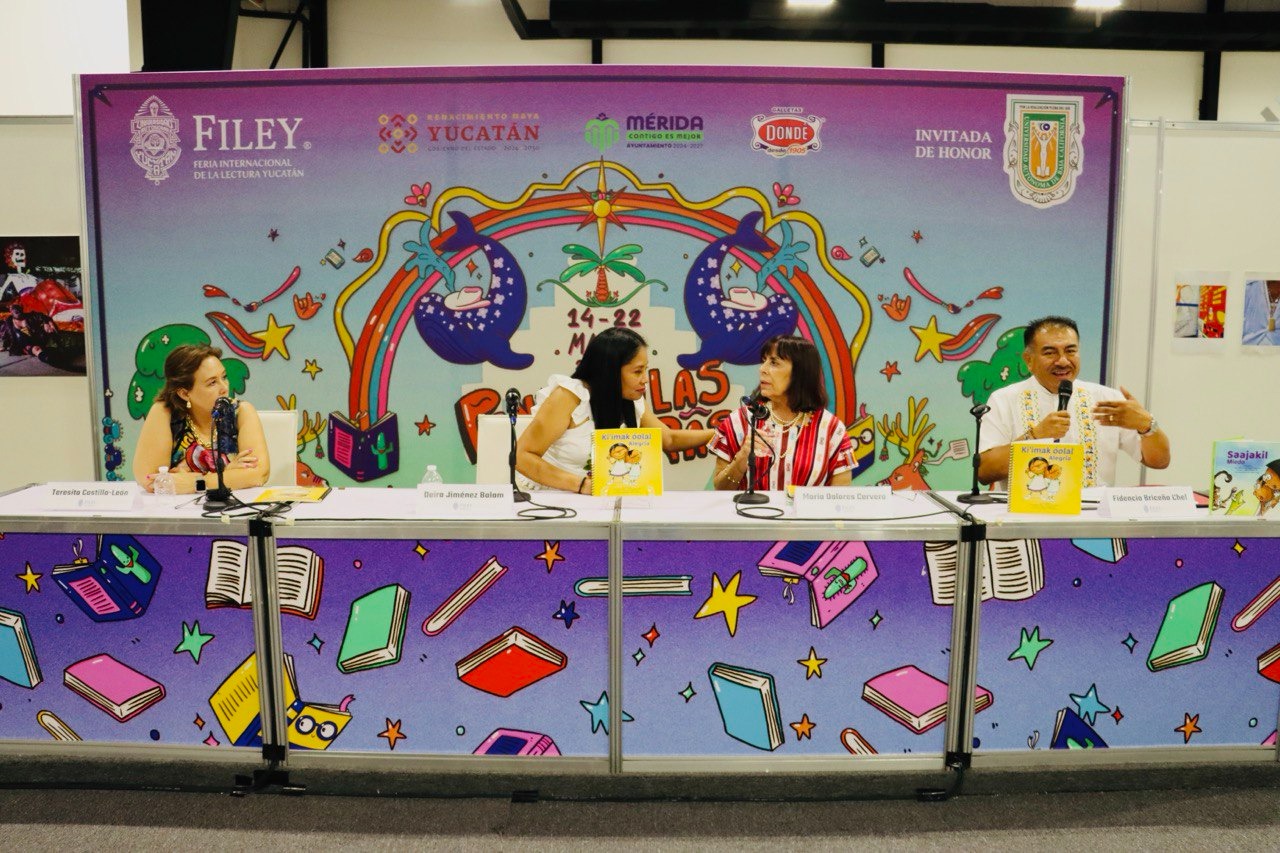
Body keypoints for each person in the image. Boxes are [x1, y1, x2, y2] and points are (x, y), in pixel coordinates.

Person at [977, 316, 1170, 489]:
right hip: (1025, 515)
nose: (1062, 361)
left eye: (1070, 351)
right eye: (1050, 353)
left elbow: (1160, 461)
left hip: (1094, 515)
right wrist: (1035, 435)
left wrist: (1146, 425)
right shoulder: (1003, 400)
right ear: (1029, 360)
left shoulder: (1107, 399)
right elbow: (984, 472)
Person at [515, 327, 714, 494]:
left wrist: (720, 433)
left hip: (603, 501)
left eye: (646, 369)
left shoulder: (632, 398)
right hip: (553, 500)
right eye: (638, 371)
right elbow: (522, 457)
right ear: (609, 371)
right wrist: (582, 485)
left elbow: (669, 439)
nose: (645, 379)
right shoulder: (568, 397)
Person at [711, 335, 854, 491]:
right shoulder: (739, 421)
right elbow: (720, 489)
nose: (762, 369)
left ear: (801, 373)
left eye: (774, 363)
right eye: (764, 361)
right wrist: (742, 457)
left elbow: (840, 497)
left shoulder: (831, 429)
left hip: (807, 509)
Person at [132, 343, 269, 495]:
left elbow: (259, 474)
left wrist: (196, 482)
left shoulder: (241, 412)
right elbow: (151, 481)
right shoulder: (165, 413)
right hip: (177, 510)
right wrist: (229, 475)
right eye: (212, 382)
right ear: (185, 393)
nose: (224, 387)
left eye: (224, 377)